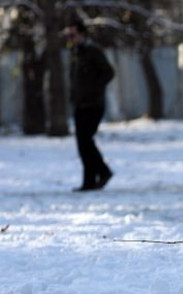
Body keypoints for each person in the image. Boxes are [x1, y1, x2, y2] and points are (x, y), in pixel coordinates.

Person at [67, 20, 115, 192]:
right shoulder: (76, 53)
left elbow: (109, 72)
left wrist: (94, 89)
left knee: (86, 141)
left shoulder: (93, 52)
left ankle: (103, 172)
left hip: (93, 105)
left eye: (73, 35)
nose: (70, 39)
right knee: (82, 144)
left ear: (82, 34)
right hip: (80, 105)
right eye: (69, 35)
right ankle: (89, 181)